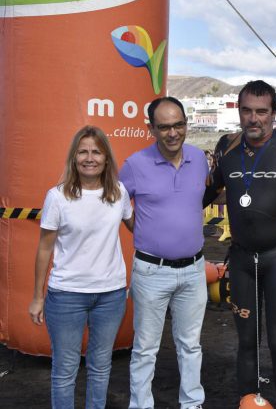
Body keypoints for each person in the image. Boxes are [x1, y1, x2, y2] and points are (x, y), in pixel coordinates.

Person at [203, 80, 276, 409]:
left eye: (262, 112)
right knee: (246, 341)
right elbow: (206, 194)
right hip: (240, 260)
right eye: (247, 111)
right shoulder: (226, 144)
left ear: (273, 113)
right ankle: (249, 402)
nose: (254, 119)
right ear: (239, 111)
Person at [28, 126, 134, 408]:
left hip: (111, 296)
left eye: (96, 151)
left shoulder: (119, 193)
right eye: (83, 151)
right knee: (64, 371)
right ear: (74, 157)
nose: (90, 158)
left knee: (101, 368)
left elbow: (141, 228)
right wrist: (38, 297)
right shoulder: (58, 197)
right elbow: (44, 249)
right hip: (66, 296)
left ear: (106, 158)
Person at [120, 97, 209, 409]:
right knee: (145, 347)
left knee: (191, 345)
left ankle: (192, 404)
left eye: (179, 125)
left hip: (194, 270)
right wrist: (141, 229)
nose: (173, 133)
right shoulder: (134, 165)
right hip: (151, 271)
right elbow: (117, 204)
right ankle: (141, 405)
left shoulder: (199, 159)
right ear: (151, 129)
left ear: (186, 123)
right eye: (165, 127)